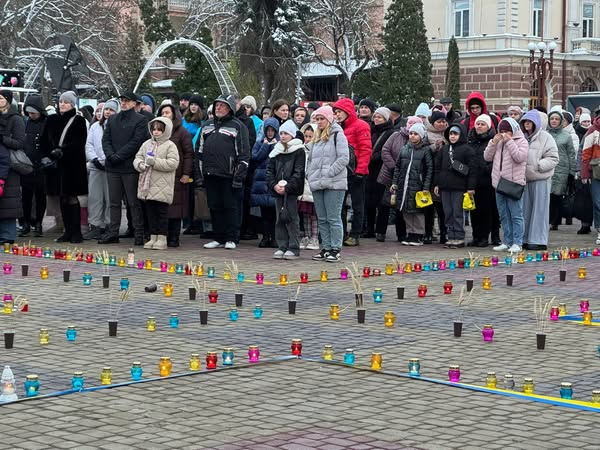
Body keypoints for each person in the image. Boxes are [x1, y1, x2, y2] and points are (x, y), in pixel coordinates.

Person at [199, 94, 250, 250]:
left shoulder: (238, 126)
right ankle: (218, 237)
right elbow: (199, 150)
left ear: (230, 108)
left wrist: (238, 176)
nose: (218, 108)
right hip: (210, 173)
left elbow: (244, 154)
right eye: (216, 105)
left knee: (231, 207)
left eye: (222, 105)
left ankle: (231, 238)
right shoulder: (206, 125)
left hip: (229, 175)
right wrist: (200, 174)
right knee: (214, 206)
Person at [99, 91, 149, 245]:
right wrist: (110, 155)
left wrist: (119, 156)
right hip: (113, 166)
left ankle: (139, 233)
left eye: (128, 101)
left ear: (135, 103)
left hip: (129, 167)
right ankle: (113, 232)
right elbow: (105, 139)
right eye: (122, 100)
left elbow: (136, 142)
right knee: (114, 202)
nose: (124, 103)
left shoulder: (141, 120)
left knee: (133, 202)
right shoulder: (113, 119)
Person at [39, 91, 88, 244]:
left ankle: (76, 232)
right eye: (61, 101)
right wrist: (49, 153)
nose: (62, 104)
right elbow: (43, 140)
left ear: (72, 104)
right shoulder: (52, 119)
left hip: (72, 165)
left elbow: (79, 142)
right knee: (61, 197)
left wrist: (63, 151)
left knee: (72, 197)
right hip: (56, 166)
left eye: (66, 102)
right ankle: (67, 231)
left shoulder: (79, 120)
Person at [306, 106, 349, 262]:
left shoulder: (338, 135)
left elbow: (344, 158)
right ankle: (325, 247)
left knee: (333, 217)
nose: (319, 122)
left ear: (329, 119)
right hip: (317, 183)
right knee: (322, 218)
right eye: (317, 119)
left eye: (322, 118)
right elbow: (310, 159)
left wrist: (329, 172)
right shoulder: (316, 138)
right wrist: (310, 174)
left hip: (334, 184)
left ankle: (335, 248)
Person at [133, 117, 180, 250]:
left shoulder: (170, 145)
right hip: (147, 186)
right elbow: (138, 158)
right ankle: (153, 236)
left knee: (162, 213)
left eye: (159, 129)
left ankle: (162, 238)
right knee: (150, 213)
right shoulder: (146, 144)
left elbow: (173, 163)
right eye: (154, 129)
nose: (156, 132)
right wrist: (140, 165)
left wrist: (155, 162)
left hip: (163, 186)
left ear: (166, 131)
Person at [484, 118, 528, 253]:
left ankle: (517, 242)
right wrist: (493, 142)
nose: (504, 133)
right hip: (499, 184)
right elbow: (487, 157)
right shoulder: (499, 142)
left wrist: (509, 141)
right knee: (503, 215)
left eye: (507, 131)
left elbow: (520, 157)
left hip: (513, 183)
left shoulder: (522, 141)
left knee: (516, 214)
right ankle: (507, 241)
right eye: (502, 131)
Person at [332, 97, 372, 246]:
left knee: (357, 204)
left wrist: (361, 170)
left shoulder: (360, 125)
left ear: (347, 111)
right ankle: (341, 233)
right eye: (335, 112)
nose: (337, 114)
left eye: (340, 111)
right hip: (342, 171)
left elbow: (365, 149)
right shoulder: (338, 127)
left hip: (356, 172)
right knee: (340, 204)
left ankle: (355, 233)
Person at [377, 117, 422, 242]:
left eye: (414, 124)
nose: (411, 125)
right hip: (389, 175)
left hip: (406, 178)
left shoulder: (420, 142)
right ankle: (380, 232)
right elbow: (385, 150)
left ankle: (401, 234)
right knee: (385, 204)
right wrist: (393, 166)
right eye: (409, 122)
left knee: (400, 206)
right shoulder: (396, 135)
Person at [266, 120, 305, 259]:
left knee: (291, 218)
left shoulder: (299, 150)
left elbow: (298, 172)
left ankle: (293, 247)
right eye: (281, 133)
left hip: (291, 191)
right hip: (278, 191)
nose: (282, 136)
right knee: (279, 218)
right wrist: (274, 185)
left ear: (292, 135)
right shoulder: (276, 150)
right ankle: (282, 245)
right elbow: (269, 170)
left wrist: (287, 187)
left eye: (286, 133)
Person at [520, 109, 559, 250]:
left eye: (530, 122)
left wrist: (538, 166)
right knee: (525, 211)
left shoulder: (546, 137)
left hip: (540, 179)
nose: (527, 124)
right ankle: (524, 237)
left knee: (540, 210)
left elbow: (553, 158)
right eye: (525, 122)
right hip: (524, 179)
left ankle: (538, 239)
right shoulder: (522, 137)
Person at [433, 124, 476, 248]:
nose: (452, 136)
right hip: (445, 187)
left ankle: (459, 237)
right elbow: (437, 167)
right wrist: (437, 183)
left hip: (459, 187)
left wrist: (470, 187)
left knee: (457, 212)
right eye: (451, 134)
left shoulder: (467, 150)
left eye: (455, 134)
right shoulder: (444, 149)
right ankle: (450, 236)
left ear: (461, 135)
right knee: (448, 212)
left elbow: (472, 170)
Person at [157, 104, 194, 247]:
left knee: (176, 208)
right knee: (163, 207)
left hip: (177, 175)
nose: (165, 115)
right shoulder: (157, 131)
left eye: (167, 112)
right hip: (161, 175)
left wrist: (186, 173)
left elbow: (189, 154)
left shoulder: (182, 132)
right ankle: (162, 236)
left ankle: (174, 237)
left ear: (174, 114)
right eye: (162, 112)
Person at [391, 123, 433, 246]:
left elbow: (429, 169)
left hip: (418, 186)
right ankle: (410, 233)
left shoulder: (425, 150)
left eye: (416, 134)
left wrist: (426, 186)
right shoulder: (404, 149)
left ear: (421, 136)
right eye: (411, 133)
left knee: (418, 211)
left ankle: (419, 234)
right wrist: (395, 183)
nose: (413, 136)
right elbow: (397, 167)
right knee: (406, 210)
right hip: (404, 185)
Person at [83, 99, 119, 240]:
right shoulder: (95, 127)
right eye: (107, 109)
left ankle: (110, 225)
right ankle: (96, 225)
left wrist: (109, 159)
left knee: (110, 198)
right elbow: (89, 145)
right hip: (96, 166)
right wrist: (95, 159)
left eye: (111, 110)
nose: (108, 112)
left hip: (112, 167)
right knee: (95, 198)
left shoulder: (118, 127)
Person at [468, 114, 499, 247]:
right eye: (478, 124)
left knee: (486, 211)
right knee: (474, 211)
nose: (479, 126)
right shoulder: (471, 140)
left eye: (482, 124)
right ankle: (476, 236)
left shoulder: (493, 141)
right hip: (473, 181)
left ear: (488, 126)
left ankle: (485, 237)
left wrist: (486, 168)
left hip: (487, 181)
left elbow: (497, 159)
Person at [19, 95, 47, 238]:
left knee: (41, 195)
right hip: (26, 164)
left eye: (33, 113)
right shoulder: (25, 123)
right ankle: (26, 222)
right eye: (29, 113)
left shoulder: (47, 123)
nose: (31, 115)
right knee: (26, 195)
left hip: (41, 165)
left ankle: (38, 222)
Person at [364, 107, 395, 241]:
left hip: (382, 170)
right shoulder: (370, 130)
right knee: (369, 201)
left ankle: (380, 231)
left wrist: (372, 157)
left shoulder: (390, 132)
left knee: (382, 202)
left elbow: (386, 150)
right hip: (369, 170)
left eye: (379, 117)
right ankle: (369, 228)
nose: (376, 119)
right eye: (375, 116)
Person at [0, 89, 25, 244]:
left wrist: (3, 139)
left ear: (8, 100)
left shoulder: (16, 119)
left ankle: (8, 234)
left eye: (1, 98)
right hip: (1, 161)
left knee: (9, 201)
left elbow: (20, 143)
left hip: (10, 165)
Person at [250, 117, 279, 248]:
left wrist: (272, 145)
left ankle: (274, 237)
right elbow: (255, 157)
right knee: (264, 212)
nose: (270, 133)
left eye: (273, 130)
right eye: (268, 130)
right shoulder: (259, 143)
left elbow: (277, 158)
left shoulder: (279, 143)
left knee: (274, 212)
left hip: (273, 180)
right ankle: (265, 236)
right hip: (261, 181)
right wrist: (265, 146)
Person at [547, 110, 575, 231]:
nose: (554, 121)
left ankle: (555, 222)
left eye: (556, 119)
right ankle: (547, 220)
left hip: (562, 170)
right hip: (547, 168)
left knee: (557, 196)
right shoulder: (544, 134)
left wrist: (572, 172)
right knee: (547, 195)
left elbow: (571, 154)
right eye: (552, 118)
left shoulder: (566, 136)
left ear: (561, 121)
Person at [423, 109, 448, 244]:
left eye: (444, 121)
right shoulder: (426, 135)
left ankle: (444, 232)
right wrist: (435, 146)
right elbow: (423, 150)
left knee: (441, 207)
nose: (442, 124)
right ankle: (428, 232)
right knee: (428, 207)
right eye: (439, 121)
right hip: (429, 173)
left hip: (443, 173)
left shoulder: (449, 134)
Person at [298, 123, 319, 250]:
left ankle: (315, 237)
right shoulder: (302, 150)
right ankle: (306, 236)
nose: (307, 139)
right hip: (303, 186)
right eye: (306, 136)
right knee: (305, 213)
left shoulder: (317, 150)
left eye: (310, 136)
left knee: (314, 215)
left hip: (313, 185)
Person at [580, 112, 600, 244]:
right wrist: (584, 173)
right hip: (596, 171)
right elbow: (586, 152)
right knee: (598, 202)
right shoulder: (593, 130)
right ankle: (599, 230)